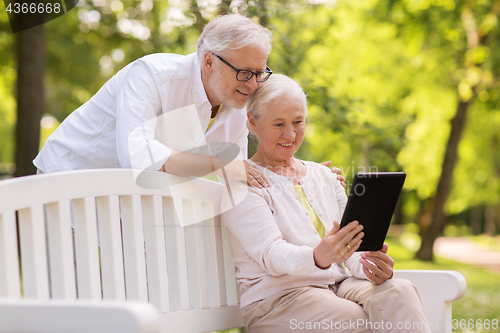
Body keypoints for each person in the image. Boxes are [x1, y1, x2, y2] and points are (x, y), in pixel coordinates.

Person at [33, 14, 345, 188]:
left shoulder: (238, 103)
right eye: (244, 73)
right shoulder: (152, 76)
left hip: (128, 199)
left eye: (260, 73)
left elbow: (240, 176)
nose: (253, 85)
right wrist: (220, 165)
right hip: (68, 180)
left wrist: (307, 175)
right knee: (69, 297)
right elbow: (138, 158)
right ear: (209, 62)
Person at [221, 74, 431, 333]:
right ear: (253, 122)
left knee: (399, 291)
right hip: (279, 299)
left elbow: (350, 247)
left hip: (336, 287)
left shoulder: (324, 176)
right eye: (278, 124)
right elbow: (272, 255)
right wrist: (319, 256)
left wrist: (369, 267)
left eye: (298, 122)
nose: (290, 133)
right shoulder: (242, 182)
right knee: (363, 321)